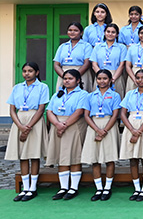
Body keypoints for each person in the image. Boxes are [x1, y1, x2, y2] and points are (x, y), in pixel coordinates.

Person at [6, 62, 49, 202]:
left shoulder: (42, 87)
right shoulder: (17, 87)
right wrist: (20, 126)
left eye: (30, 71)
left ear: (37, 72)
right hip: (19, 120)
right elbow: (12, 109)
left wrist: (28, 126)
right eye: (24, 71)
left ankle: (33, 188)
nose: (27, 73)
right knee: (23, 155)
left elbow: (41, 109)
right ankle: (25, 187)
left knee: (33, 154)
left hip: (34, 120)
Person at [45, 69, 89, 201]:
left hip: (73, 126)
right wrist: (57, 124)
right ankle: (63, 187)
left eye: (70, 78)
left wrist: (64, 125)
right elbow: (49, 111)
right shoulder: (58, 94)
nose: (67, 81)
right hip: (57, 125)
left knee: (74, 156)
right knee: (61, 156)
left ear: (78, 80)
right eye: (65, 79)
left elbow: (79, 111)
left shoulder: (82, 94)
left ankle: (73, 187)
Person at [81, 69, 121, 201]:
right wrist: (97, 130)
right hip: (94, 125)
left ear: (110, 80)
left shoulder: (115, 95)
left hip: (109, 125)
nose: (102, 81)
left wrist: (104, 130)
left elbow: (115, 115)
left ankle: (107, 188)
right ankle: (99, 188)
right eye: (99, 79)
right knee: (95, 159)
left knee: (109, 158)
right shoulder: (90, 96)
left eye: (105, 78)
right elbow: (86, 115)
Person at [120, 68, 143, 202]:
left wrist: (139, 131)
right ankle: (137, 188)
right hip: (131, 125)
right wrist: (132, 130)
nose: (140, 80)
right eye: (137, 78)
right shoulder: (130, 94)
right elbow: (123, 113)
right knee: (133, 159)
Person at [90, 23, 127, 96]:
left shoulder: (122, 47)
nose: (110, 34)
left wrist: (112, 79)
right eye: (108, 31)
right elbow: (94, 64)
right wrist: (101, 77)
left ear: (117, 34)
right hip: (100, 76)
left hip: (116, 76)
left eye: (113, 32)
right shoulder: (97, 47)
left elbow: (122, 65)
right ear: (104, 33)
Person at [53, 21, 92, 91]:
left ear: (81, 33)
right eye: (70, 30)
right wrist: (65, 77)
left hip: (81, 74)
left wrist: (75, 76)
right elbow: (56, 64)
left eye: (75, 30)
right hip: (63, 74)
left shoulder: (86, 46)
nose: (72, 32)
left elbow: (87, 63)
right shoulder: (62, 46)